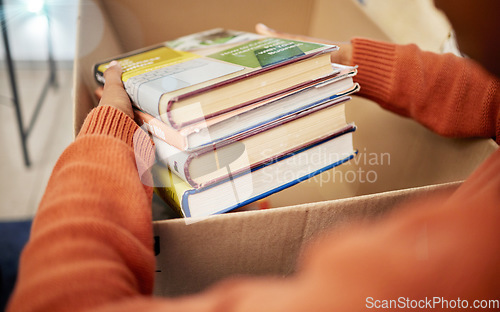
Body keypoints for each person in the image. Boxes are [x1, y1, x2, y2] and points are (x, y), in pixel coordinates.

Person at [7, 1, 500, 311]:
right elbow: (489, 97)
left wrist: (112, 131)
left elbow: (60, 300)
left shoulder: (444, 272)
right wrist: (349, 61)